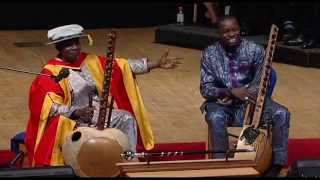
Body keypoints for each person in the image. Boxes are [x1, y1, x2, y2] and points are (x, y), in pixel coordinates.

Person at [25, 24, 179, 167]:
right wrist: (75, 112)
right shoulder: (51, 72)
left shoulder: (89, 61)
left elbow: (122, 66)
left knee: (126, 118)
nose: (75, 48)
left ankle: (130, 161)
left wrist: (156, 64)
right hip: (72, 119)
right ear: (59, 47)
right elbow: (48, 106)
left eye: (77, 43)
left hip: (98, 113)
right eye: (69, 44)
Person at [200, 16, 290, 177]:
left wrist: (242, 94)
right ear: (219, 33)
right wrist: (229, 91)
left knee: (281, 113)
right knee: (215, 117)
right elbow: (205, 89)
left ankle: (276, 165)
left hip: (250, 103)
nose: (231, 34)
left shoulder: (255, 50)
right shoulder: (209, 53)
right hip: (221, 105)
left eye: (234, 30)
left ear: (239, 29)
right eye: (226, 31)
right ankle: (220, 166)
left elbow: (260, 84)